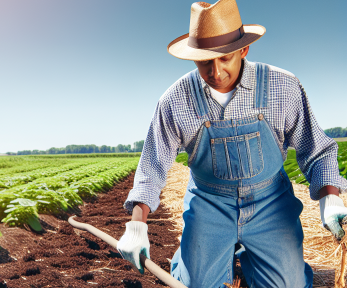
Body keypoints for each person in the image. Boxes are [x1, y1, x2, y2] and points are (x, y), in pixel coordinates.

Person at [116, 0, 347, 287]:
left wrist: (330, 197)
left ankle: (260, 258)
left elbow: (317, 150)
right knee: (196, 284)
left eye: (225, 58)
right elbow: (153, 164)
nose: (215, 72)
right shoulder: (175, 100)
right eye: (204, 62)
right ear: (193, 58)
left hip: (270, 203)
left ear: (243, 49)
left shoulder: (283, 86)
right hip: (209, 202)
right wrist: (137, 224)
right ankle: (193, 258)